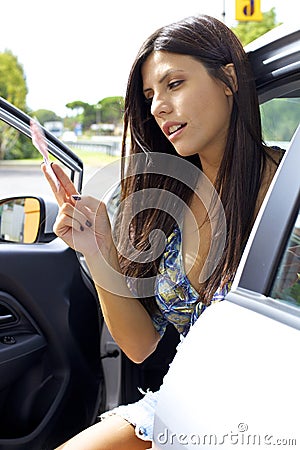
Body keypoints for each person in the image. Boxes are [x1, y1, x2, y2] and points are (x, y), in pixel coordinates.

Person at [42, 14, 284, 450]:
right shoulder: (169, 201)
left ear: (228, 80)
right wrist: (97, 250)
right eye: (151, 95)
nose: (157, 107)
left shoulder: (287, 186)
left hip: (269, 412)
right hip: (185, 406)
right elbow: (140, 346)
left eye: (174, 84)